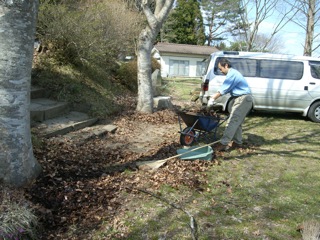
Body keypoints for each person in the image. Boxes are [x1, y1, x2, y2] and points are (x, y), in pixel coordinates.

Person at [208, 58, 253, 152]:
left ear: (226, 66)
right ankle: (237, 142)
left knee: (232, 121)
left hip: (243, 99)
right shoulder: (233, 73)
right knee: (237, 122)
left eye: (221, 69)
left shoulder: (232, 74)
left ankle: (223, 143)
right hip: (241, 98)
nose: (220, 71)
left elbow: (224, 89)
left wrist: (213, 98)